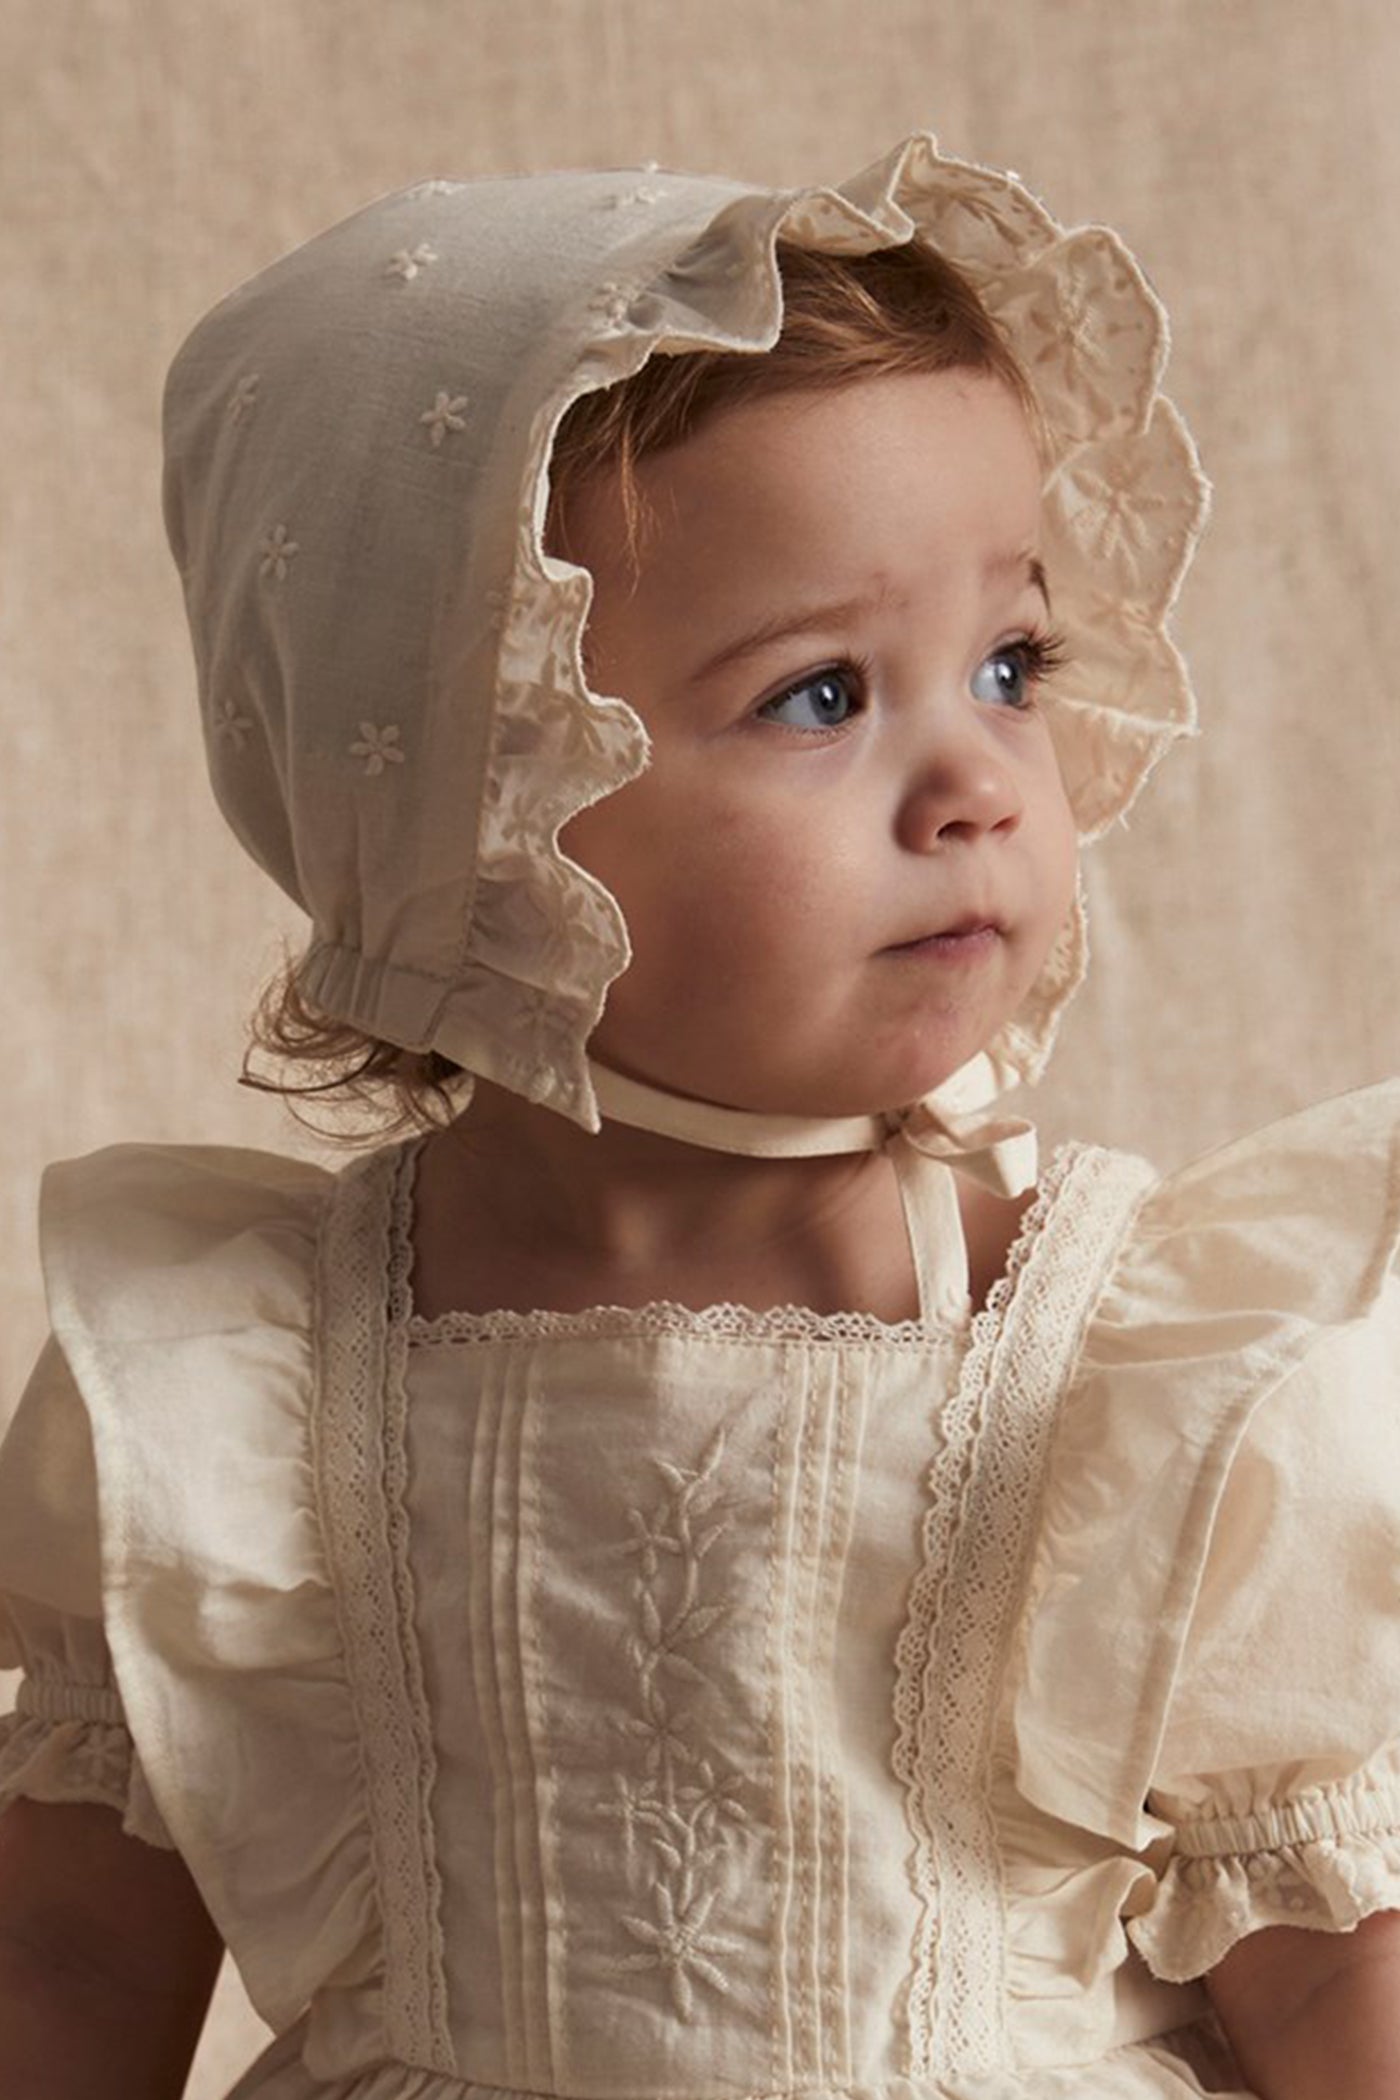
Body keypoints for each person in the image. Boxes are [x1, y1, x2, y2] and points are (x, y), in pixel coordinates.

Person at [0, 132, 1397, 2100]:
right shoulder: (240, 1392)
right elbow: (65, 1968)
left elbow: (1331, 1974)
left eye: (1008, 665)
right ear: (472, 805)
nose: (980, 782)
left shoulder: (1130, 1373)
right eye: (825, 696)